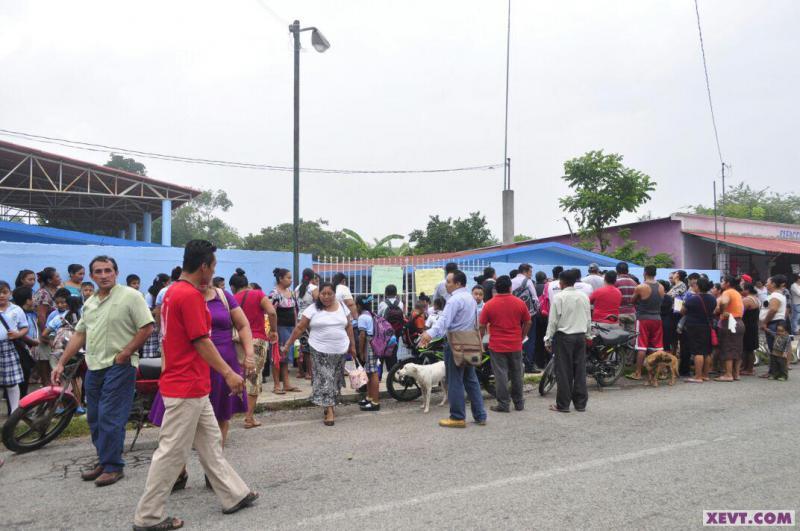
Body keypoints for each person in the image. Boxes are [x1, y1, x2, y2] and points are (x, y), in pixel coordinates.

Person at [133, 241, 257, 530]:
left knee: (211, 444)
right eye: (213, 267)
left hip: (193, 384)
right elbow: (201, 340)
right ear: (204, 266)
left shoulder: (173, 292)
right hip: (185, 385)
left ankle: (234, 494)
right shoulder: (188, 295)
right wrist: (228, 373)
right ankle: (149, 516)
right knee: (171, 452)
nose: (213, 272)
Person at [52, 255, 154, 487]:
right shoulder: (90, 302)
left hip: (120, 365)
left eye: (108, 270)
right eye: (98, 271)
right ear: (91, 276)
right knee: (95, 417)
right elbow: (80, 334)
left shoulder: (131, 296)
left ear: (116, 273)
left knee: (110, 416)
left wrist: (126, 353)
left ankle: (113, 466)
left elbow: (147, 327)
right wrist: (61, 363)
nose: (104, 275)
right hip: (94, 365)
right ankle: (105, 458)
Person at [149, 278, 255, 453]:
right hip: (188, 367)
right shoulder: (180, 296)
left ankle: (215, 462)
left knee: (221, 415)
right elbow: (166, 331)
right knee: (179, 422)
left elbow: (243, 325)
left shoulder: (223, 296)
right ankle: (180, 466)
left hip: (224, 366)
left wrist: (249, 353)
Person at [419, 270, 487, 428]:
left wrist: (429, 334)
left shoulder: (454, 300)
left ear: (458, 283)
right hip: (469, 342)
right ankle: (480, 415)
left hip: (455, 343)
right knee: (470, 379)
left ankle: (457, 417)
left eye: (448, 282)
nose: (446, 285)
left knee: (454, 380)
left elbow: (444, 322)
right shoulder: (470, 298)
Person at [281, 282, 356, 426]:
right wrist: (287, 345)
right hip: (319, 350)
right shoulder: (312, 309)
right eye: (323, 294)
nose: (326, 297)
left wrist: (352, 346)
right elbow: (300, 328)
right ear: (319, 294)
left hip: (340, 351)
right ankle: (330, 411)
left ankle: (329, 404)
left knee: (335, 380)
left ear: (335, 294)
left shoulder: (342, 306)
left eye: (330, 294)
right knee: (326, 379)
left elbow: (349, 327)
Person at [230, 268, 278, 427]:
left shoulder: (232, 298)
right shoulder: (258, 294)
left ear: (233, 287)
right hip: (257, 341)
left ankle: (229, 414)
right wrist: (273, 331)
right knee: (253, 378)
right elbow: (272, 312)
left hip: (237, 341)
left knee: (238, 377)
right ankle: (249, 418)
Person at [478, 275, 531, 413]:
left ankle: (503, 404)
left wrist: (479, 340)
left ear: (496, 288)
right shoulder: (519, 302)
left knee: (500, 374)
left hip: (497, 345)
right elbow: (528, 322)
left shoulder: (489, 304)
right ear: (510, 287)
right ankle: (519, 403)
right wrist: (522, 336)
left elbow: (482, 326)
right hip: (515, 344)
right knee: (517, 373)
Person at [544, 269, 591, 413]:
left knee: (564, 372)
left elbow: (553, 321)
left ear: (561, 282)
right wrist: (588, 335)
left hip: (564, 337)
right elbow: (588, 317)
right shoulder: (583, 296)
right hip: (580, 336)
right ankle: (580, 404)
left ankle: (563, 404)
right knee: (580, 370)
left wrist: (548, 339)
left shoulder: (559, 297)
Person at [628, 265, 664, 381]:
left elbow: (632, 301)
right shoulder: (661, 287)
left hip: (643, 318)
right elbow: (661, 301)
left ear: (645, 273)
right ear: (655, 274)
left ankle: (638, 373)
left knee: (641, 346)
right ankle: (661, 373)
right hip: (657, 318)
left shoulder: (641, 287)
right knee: (658, 347)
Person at [269, 268, 301, 394]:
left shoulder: (291, 293)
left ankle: (287, 384)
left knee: (285, 357)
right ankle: (277, 385)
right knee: (277, 356)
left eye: (291, 277)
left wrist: (296, 326)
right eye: (288, 277)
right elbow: (271, 312)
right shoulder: (274, 293)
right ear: (280, 279)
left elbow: (295, 310)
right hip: (279, 328)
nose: (291, 280)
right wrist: (273, 331)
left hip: (290, 328)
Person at [681, 277, 716, 383]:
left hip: (695, 327)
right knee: (707, 351)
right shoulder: (712, 298)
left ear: (698, 286)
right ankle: (705, 375)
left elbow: (683, 311)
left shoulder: (692, 299)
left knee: (698, 352)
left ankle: (698, 376)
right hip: (708, 326)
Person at [0, 280, 28, 413]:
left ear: (10, 293)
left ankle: (14, 413)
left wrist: (18, 334)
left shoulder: (16, 310)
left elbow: (24, 327)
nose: (1, 295)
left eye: (4, 292)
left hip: (9, 347)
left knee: (11, 382)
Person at [33, 267, 61, 389]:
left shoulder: (57, 291)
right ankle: (46, 388)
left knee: (55, 358)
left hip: (56, 330)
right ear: (49, 280)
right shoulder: (43, 294)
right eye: (57, 276)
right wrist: (45, 334)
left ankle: (54, 388)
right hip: (46, 330)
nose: (60, 278)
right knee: (45, 359)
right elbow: (41, 316)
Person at [715, 275, 745, 382]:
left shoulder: (727, 292)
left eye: (723, 281)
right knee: (737, 349)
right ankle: (736, 374)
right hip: (739, 322)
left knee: (727, 347)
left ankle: (728, 374)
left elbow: (724, 302)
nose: (721, 283)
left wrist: (722, 311)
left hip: (729, 322)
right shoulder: (737, 293)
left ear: (727, 283)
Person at [511, 263, 539, 372]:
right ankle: (528, 364)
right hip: (529, 315)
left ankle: (517, 363)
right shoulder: (528, 281)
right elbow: (535, 299)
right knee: (529, 339)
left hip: (514, 316)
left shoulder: (511, 281)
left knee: (516, 339)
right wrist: (536, 311)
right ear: (525, 271)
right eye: (530, 272)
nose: (531, 274)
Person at [11, 286, 39, 397]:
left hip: (27, 348)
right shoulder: (20, 314)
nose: (35, 299)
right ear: (28, 300)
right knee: (23, 375)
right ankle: (21, 402)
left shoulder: (30, 313)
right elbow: (20, 333)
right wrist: (33, 342)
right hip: (22, 348)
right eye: (33, 297)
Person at [355, 295, 380, 411]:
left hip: (369, 344)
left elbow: (362, 336)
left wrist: (361, 351)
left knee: (373, 373)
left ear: (359, 306)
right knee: (369, 372)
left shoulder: (362, 317)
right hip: (373, 343)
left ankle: (375, 402)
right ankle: (369, 398)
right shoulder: (371, 314)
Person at [760, 275, 788, 375]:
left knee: (775, 349)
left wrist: (765, 322)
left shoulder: (776, 296)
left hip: (774, 323)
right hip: (775, 323)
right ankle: (773, 371)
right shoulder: (776, 295)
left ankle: (776, 372)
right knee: (774, 349)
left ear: (773, 284)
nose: (766, 284)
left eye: (768, 282)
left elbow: (773, 310)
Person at [295, 268, 319, 379]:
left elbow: (296, 306)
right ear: (312, 277)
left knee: (302, 346)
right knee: (311, 347)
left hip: (300, 319)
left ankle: (302, 372)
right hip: (311, 319)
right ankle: (310, 373)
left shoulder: (297, 288)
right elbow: (319, 303)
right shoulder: (313, 288)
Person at [142, 274, 170, 359]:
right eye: (168, 282)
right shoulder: (150, 295)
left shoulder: (162, 292)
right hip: (153, 323)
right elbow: (146, 311)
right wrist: (157, 311)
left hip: (159, 322)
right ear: (164, 283)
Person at [740, 284, 760, 376]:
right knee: (750, 348)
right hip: (753, 325)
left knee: (747, 348)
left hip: (747, 326)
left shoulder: (746, 300)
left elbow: (740, 312)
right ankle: (748, 367)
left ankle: (748, 369)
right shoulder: (756, 298)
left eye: (742, 289)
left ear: (747, 290)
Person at [614, 262, 638, 336]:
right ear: (627, 271)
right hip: (631, 313)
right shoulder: (634, 283)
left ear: (617, 271)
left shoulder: (615, 282)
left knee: (619, 337)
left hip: (619, 313)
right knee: (631, 337)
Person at [659, 280, 675, 352]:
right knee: (666, 342)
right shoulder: (669, 298)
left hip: (659, 320)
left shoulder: (658, 297)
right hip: (667, 321)